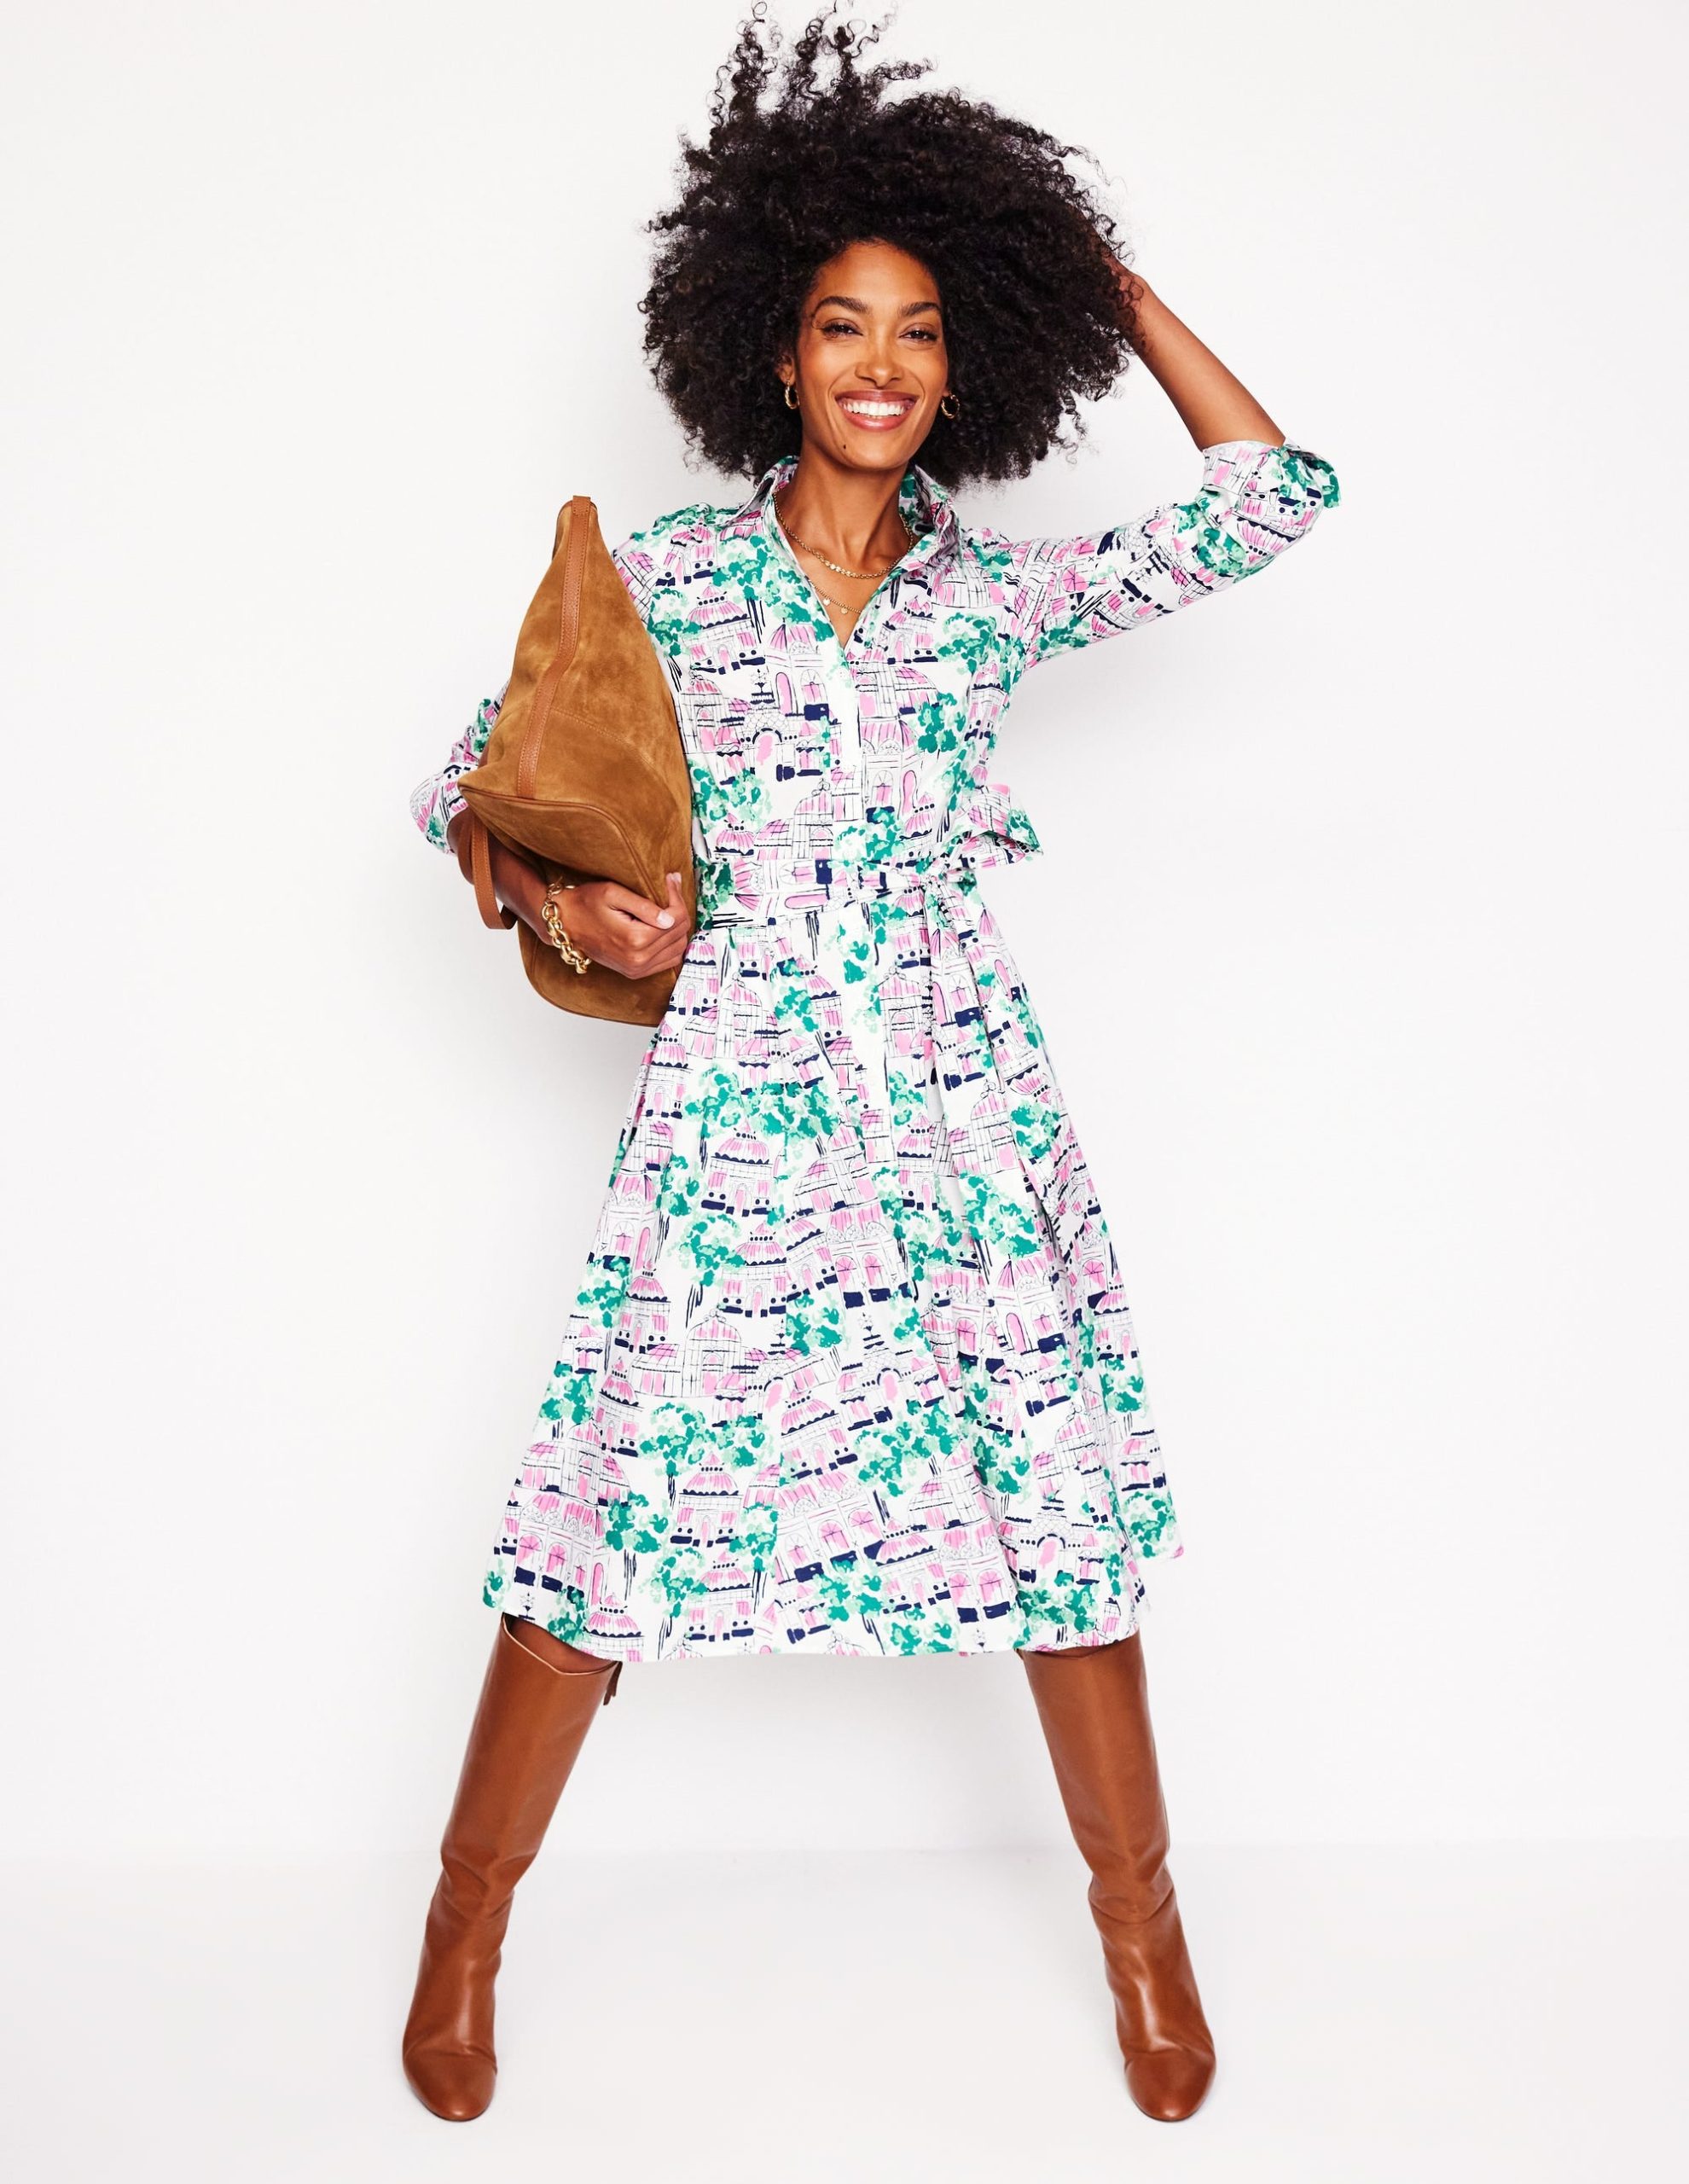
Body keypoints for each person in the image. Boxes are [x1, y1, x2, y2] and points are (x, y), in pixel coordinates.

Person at [400, 6, 1340, 2129]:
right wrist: (582, 913)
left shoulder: (992, 601)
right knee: (606, 1521)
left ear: (967, 360)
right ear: (775, 349)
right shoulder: (664, 584)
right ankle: (465, 1926)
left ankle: (1143, 1933)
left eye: (927, 326)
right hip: (735, 1118)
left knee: (1056, 1519)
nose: (884, 363)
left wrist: (1094, 273)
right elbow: (468, 793)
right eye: (844, 323)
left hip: (960, 1117)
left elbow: (1274, 498)